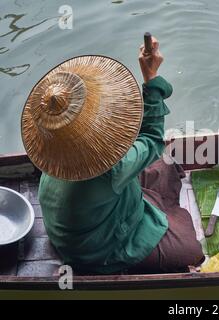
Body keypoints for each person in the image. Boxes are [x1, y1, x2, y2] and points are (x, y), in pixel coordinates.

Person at [21, 37, 204, 274]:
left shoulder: (54, 150)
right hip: (97, 251)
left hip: (76, 225)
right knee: (192, 249)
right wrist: (150, 78)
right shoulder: (113, 170)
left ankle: (151, 206)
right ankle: (155, 218)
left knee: (162, 165)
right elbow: (151, 138)